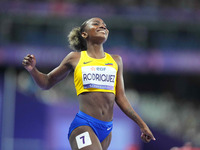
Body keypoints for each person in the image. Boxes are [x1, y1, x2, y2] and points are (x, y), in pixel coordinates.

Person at [22, 17, 156, 150]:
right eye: (96, 24)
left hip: (107, 129)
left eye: (104, 25)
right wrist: (32, 69)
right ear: (84, 34)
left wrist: (142, 124)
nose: (102, 26)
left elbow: (121, 98)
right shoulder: (75, 58)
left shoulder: (116, 60)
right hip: (84, 125)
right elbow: (46, 82)